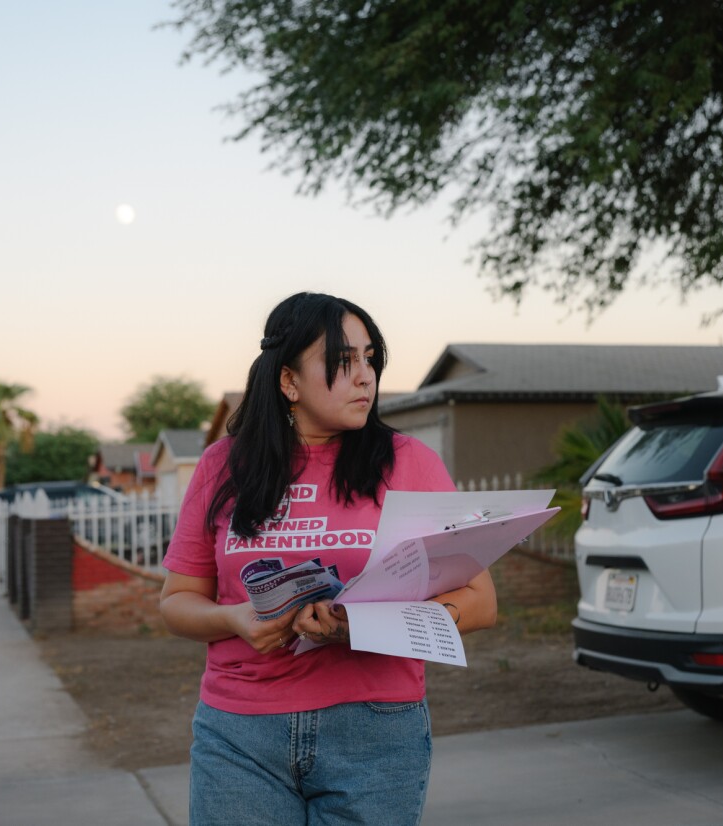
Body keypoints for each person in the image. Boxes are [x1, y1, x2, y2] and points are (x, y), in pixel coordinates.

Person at [160, 292, 497, 825]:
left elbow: (480, 603)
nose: (365, 376)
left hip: (375, 730)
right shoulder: (222, 466)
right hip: (240, 734)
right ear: (288, 380)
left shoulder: (410, 463)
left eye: (370, 358)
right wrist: (234, 619)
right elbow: (177, 601)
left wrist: (364, 627)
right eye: (343, 362)